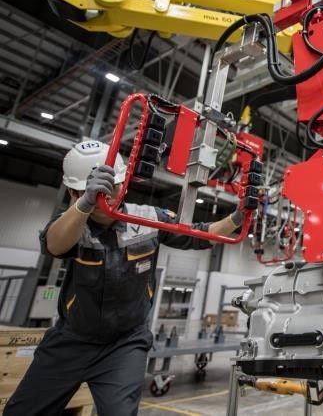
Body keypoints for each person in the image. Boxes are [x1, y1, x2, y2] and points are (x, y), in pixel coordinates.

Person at [5, 140, 246, 416]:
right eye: (90, 193)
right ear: (73, 192)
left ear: (125, 183)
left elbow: (200, 235)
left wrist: (238, 217)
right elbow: (54, 245)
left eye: (112, 188)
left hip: (125, 345)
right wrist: (83, 206)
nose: (103, 199)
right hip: (71, 341)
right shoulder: (71, 225)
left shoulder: (147, 219)